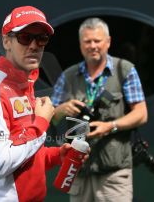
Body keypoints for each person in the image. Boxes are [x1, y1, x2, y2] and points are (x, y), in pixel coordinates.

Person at [0, 6, 89, 202]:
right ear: (6, 41)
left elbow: (27, 153)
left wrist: (57, 155)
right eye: (25, 37)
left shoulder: (26, 86)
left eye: (41, 38)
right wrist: (41, 124)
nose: (34, 45)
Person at [51, 17, 148, 202]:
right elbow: (51, 120)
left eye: (97, 40)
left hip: (114, 174)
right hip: (78, 171)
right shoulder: (68, 76)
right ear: (80, 44)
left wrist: (110, 126)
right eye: (87, 41)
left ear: (108, 42)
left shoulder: (124, 70)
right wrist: (62, 109)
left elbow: (141, 114)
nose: (93, 46)